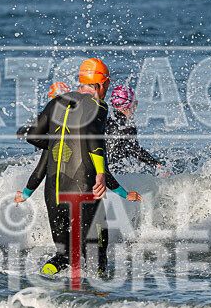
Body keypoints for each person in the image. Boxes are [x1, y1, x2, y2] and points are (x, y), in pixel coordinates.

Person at [22, 59, 142, 276]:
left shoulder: (57, 101)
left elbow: (32, 135)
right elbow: (94, 140)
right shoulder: (99, 106)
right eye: (107, 84)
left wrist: (60, 143)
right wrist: (100, 175)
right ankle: (96, 304)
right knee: (96, 254)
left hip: (53, 193)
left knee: (63, 256)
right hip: (84, 191)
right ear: (102, 83)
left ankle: (46, 289)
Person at [105, 84, 167, 174]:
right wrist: (157, 165)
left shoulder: (106, 121)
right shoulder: (127, 126)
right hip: (117, 175)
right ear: (130, 105)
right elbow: (135, 150)